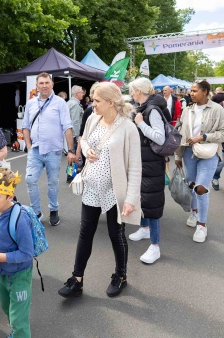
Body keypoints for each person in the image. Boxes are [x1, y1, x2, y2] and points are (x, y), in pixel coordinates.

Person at [58, 82, 142, 298]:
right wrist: (86, 149)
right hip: (92, 185)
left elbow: (135, 166)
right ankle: (77, 279)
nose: (92, 103)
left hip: (115, 189)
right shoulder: (93, 118)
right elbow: (83, 139)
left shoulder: (128, 127)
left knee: (116, 234)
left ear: (110, 102)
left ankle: (120, 276)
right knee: (85, 233)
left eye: (96, 100)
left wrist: (131, 199)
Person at [0, 167, 34, 338]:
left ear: (10, 196)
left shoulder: (20, 219)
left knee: (19, 320)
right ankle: (16, 332)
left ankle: (19, 333)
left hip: (20, 275)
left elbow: (27, 254)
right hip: (1, 272)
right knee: (7, 308)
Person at [175, 80, 224, 243]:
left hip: (209, 152)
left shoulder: (217, 109)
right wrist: (178, 156)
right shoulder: (187, 109)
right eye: (190, 91)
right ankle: (194, 211)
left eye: (195, 91)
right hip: (188, 152)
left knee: (201, 188)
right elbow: (181, 132)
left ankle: (202, 225)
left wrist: (205, 136)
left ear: (205, 91)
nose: (191, 93)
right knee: (192, 185)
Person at [127, 78, 171, 264]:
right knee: (142, 197)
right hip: (144, 162)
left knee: (152, 204)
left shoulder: (151, 110)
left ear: (138, 91)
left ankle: (155, 246)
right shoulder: (146, 107)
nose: (130, 95)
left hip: (152, 164)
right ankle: (144, 229)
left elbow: (159, 138)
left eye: (132, 91)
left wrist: (140, 124)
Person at [22, 72, 75, 226]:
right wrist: (29, 146)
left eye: (47, 83)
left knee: (52, 182)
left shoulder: (60, 103)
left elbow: (67, 126)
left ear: (52, 84)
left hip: (53, 150)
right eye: (41, 83)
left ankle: (53, 209)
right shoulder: (31, 104)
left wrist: (71, 150)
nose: (44, 85)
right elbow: (25, 126)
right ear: (37, 86)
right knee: (30, 179)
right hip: (36, 150)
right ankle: (36, 212)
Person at [66, 85, 84, 182]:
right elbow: (76, 121)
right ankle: (71, 176)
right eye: (81, 92)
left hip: (70, 134)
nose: (83, 94)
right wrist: (78, 136)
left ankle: (70, 175)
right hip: (74, 134)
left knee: (72, 155)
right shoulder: (75, 105)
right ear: (77, 94)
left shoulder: (69, 103)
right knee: (75, 155)